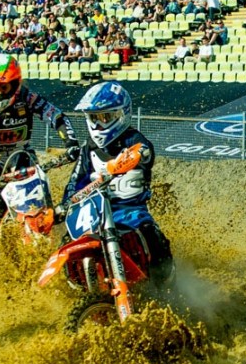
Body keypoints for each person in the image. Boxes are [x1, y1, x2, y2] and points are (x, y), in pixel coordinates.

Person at [62, 81, 173, 284]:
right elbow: (75, 181)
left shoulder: (133, 139)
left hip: (132, 213)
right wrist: (64, 205)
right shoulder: (88, 148)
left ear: (121, 115)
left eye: (105, 118)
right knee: (68, 241)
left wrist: (129, 159)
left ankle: (165, 285)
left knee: (153, 239)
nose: (98, 125)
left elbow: (144, 151)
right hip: (96, 215)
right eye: (94, 118)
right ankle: (79, 289)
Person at [0, 54, 78, 228]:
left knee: (36, 206)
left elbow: (56, 115)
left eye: (4, 87)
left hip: (21, 155)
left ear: (15, 84)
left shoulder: (26, 97)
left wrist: (71, 143)